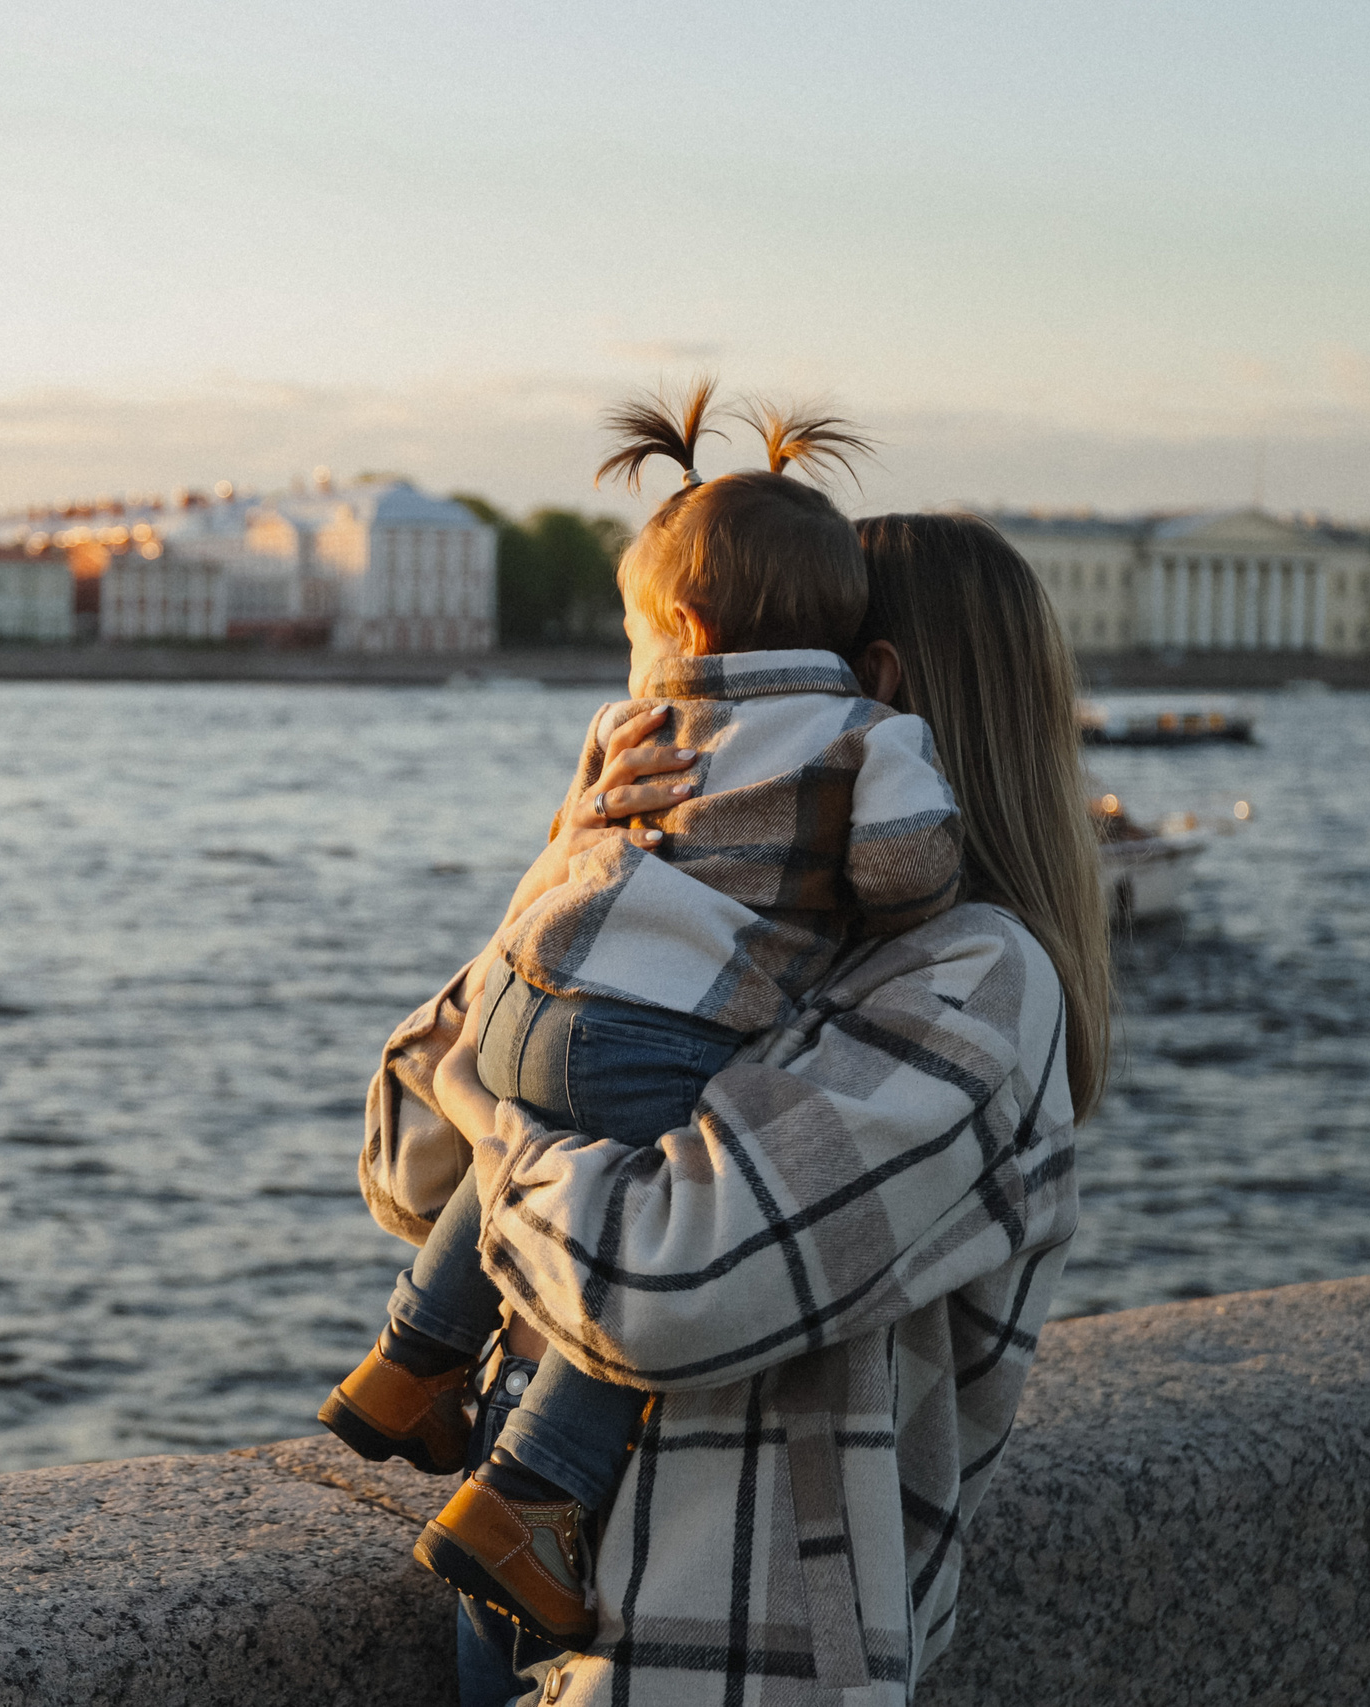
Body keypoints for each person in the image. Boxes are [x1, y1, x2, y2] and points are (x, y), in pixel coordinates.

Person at [356, 509, 1108, 1705]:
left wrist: (500, 1106)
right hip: (518, 1613)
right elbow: (403, 1167)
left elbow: (662, 1278)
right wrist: (565, 877)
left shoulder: (975, 980)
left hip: (720, 1658)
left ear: (870, 692)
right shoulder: (719, 928)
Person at [320, 386, 965, 1648]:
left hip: (521, 995)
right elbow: (902, 872)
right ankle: (530, 1495)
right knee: (635, 1215)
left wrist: (566, 848)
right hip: (650, 1038)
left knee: (534, 1127)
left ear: (672, 620)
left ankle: (410, 1359)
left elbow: (423, 1127)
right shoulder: (862, 732)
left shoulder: (628, 732)